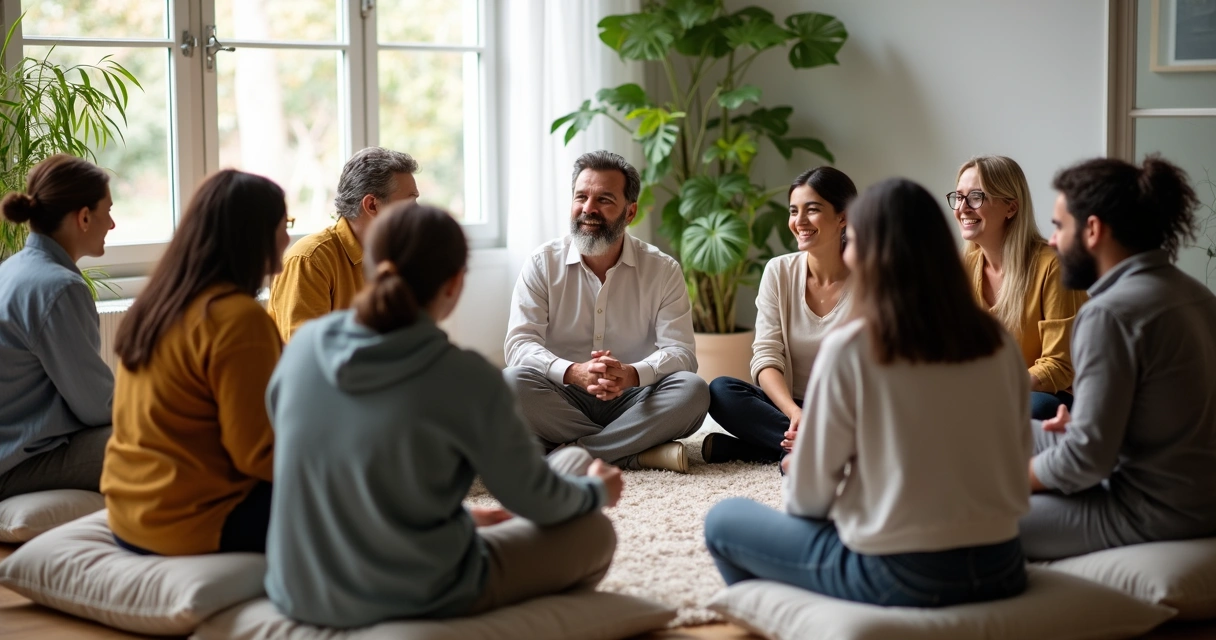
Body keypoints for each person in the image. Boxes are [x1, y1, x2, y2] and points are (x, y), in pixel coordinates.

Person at [265, 203, 621, 628]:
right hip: (417, 591)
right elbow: (533, 500)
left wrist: (463, 517)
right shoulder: (465, 376)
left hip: (296, 589)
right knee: (595, 532)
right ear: (454, 283)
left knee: (573, 460)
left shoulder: (303, 346)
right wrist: (597, 492)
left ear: (370, 267)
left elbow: (339, 465)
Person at [705, 178, 1030, 607]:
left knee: (724, 519)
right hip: (1003, 565)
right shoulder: (997, 341)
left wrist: (807, 467)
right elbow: (1019, 461)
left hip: (905, 575)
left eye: (854, 241)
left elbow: (808, 501)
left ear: (872, 252)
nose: (848, 253)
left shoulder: (853, 346)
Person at [1022, 155, 1216, 561]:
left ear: (1092, 230)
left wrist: (1006, 483)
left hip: (1152, 509)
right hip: (1199, 494)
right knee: (1009, 432)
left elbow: (1085, 462)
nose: (1052, 241)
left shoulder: (1109, 313)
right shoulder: (1197, 294)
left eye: (1059, 226)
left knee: (973, 514)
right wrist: (1085, 424)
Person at [102, 169, 289, 555]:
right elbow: (256, 455)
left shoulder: (159, 303)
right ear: (254, 235)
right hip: (192, 519)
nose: (288, 238)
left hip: (128, 513)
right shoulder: (237, 319)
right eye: (282, 225)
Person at [503, 150, 709, 474]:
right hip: (561, 396)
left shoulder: (663, 269)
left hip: (633, 399)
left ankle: (572, 454)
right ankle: (634, 453)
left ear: (630, 212)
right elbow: (519, 346)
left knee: (693, 391)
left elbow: (681, 353)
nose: (588, 209)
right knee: (510, 383)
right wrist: (573, 372)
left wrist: (631, 374)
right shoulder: (542, 263)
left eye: (604, 199)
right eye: (581, 197)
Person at [705, 167, 856, 464]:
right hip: (789, 407)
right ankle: (823, 446)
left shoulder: (872, 278)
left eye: (812, 210)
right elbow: (766, 356)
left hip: (846, 411)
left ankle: (757, 450)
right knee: (721, 391)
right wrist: (794, 412)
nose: (799, 221)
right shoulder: (779, 271)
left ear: (843, 217)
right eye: (793, 211)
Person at [0, 155, 115, 500]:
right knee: (166, 439)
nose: (112, 224)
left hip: (11, 450)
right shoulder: (60, 287)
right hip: (17, 464)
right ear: (84, 217)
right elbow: (97, 407)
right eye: (108, 211)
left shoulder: (12, 269)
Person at [949, 156, 1086, 420]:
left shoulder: (1053, 266)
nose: (962, 208)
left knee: (1034, 406)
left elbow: (1060, 365)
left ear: (1011, 208)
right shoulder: (962, 268)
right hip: (987, 392)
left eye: (976, 197)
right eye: (958, 196)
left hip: (1047, 395)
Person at [267, 147, 420, 342]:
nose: (417, 211)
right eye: (410, 201)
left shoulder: (393, 255)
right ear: (372, 205)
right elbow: (309, 351)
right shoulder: (310, 259)